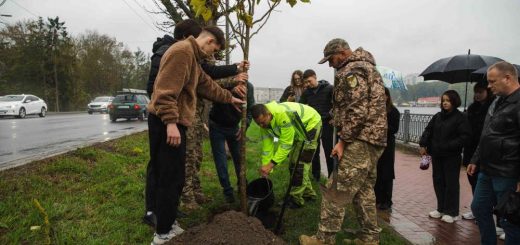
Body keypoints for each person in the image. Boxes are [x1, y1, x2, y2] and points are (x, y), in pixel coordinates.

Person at [143, 19, 249, 225]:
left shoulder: (191, 56)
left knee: (171, 174)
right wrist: (171, 123)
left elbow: (206, 85)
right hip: (166, 122)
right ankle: (163, 229)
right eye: (214, 50)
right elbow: (164, 91)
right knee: (170, 176)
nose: (211, 55)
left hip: (172, 121)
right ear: (209, 41)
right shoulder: (183, 52)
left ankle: (162, 220)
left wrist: (229, 97)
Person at [300, 38, 387, 245]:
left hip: (360, 139)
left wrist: (343, 141)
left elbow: (357, 109)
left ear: (341, 52)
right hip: (374, 139)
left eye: (331, 59)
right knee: (364, 191)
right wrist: (335, 116)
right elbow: (356, 105)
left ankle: (323, 240)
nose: (330, 64)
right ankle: (369, 237)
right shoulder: (366, 67)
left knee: (336, 188)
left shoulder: (352, 71)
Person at [468, 61, 520, 245]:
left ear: (508, 78)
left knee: (510, 218)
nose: (489, 86)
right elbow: (487, 133)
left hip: (508, 172)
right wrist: (475, 158)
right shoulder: (497, 101)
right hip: (488, 169)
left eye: (492, 81)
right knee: (479, 207)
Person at [250, 101, 321, 208]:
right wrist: (266, 166)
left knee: (299, 165)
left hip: (310, 125)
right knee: (294, 165)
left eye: (263, 122)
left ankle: (296, 200)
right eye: (258, 123)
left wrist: (271, 164)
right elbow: (267, 146)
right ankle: (308, 194)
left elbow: (285, 144)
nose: (261, 126)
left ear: (268, 114)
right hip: (297, 130)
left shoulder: (283, 115)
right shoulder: (264, 123)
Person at [419, 90, 471, 223]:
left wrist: (448, 145)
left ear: (454, 101)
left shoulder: (461, 117)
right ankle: (441, 208)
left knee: (451, 183)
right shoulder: (437, 116)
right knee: (438, 181)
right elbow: (428, 130)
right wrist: (423, 143)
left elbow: (464, 137)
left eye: (448, 100)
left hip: (451, 156)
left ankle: (452, 212)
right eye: (443, 101)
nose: (445, 103)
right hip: (436, 155)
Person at [209, 81, 254, 203]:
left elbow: (250, 109)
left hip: (234, 128)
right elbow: (213, 93)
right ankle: (228, 191)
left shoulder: (249, 87)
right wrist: (231, 90)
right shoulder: (223, 83)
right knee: (221, 161)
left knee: (239, 159)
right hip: (216, 126)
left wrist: (245, 126)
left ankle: (242, 186)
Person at [461, 82, 495, 221]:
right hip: (471, 149)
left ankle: (486, 211)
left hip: (486, 149)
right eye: (476, 92)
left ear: (487, 92)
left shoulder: (492, 107)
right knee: (472, 179)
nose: (477, 95)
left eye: (480, 92)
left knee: (485, 183)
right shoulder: (472, 108)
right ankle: (477, 210)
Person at [300, 69, 334, 181]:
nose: (308, 84)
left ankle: (331, 176)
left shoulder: (329, 89)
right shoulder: (306, 93)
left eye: (309, 81)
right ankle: (316, 176)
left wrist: (333, 117)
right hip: (313, 124)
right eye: (306, 82)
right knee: (314, 151)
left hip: (327, 123)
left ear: (315, 77)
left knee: (329, 150)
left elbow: (337, 104)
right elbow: (301, 107)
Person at [375, 88, 400, 211]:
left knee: (387, 172)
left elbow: (394, 129)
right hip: (376, 144)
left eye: (383, 95)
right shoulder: (375, 110)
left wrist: (382, 127)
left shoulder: (393, 111)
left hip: (388, 144)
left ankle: (387, 200)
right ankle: (377, 198)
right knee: (376, 171)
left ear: (387, 96)